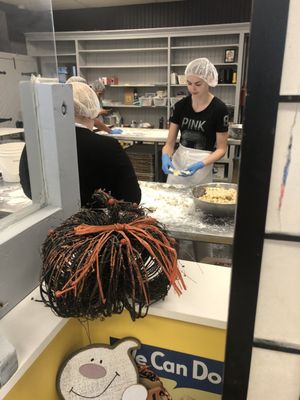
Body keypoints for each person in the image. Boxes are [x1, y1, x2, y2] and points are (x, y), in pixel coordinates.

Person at [19, 82, 141, 206]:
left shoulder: (36, 142)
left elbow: (29, 189)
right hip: (98, 223)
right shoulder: (108, 147)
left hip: (50, 219)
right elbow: (132, 198)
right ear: (93, 109)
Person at [162, 57, 229, 185]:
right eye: (189, 83)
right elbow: (169, 144)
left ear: (208, 81)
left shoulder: (219, 109)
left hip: (203, 163)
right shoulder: (180, 106)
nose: (192, 88)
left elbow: (221, 149)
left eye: (198, 84)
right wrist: (165, 157)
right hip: (179, 161)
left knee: (196, 201)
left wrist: (200, 164)